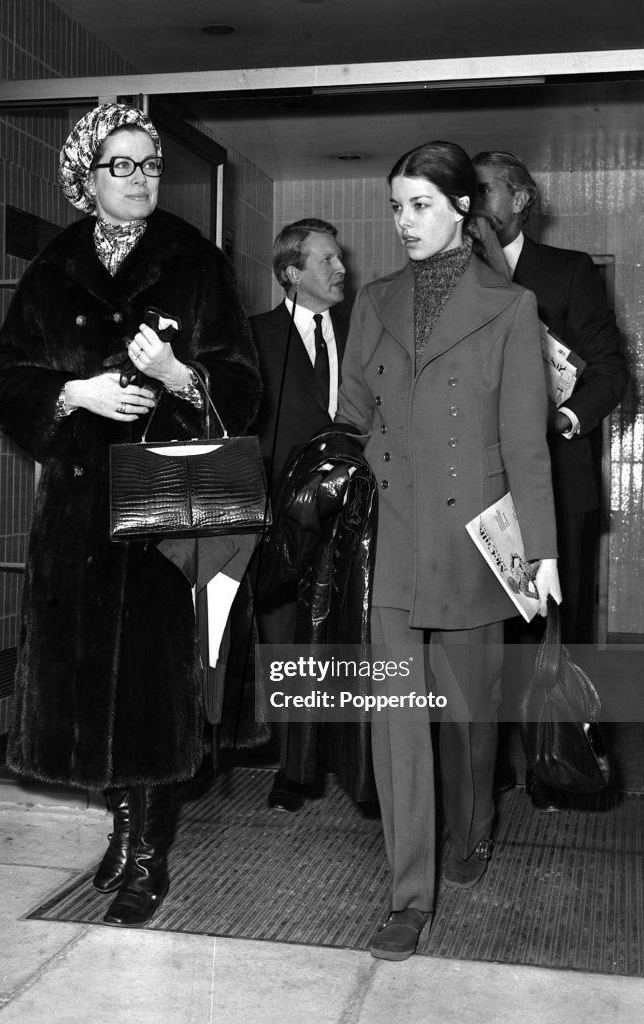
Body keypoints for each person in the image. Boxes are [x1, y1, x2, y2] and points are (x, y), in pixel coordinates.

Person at [0, 104, 262, 928]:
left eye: (150, 164)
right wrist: (76, 392)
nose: (142, 178)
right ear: (87, 178)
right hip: (76, 512)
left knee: (151, 691)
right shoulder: (52, 268)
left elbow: (242, 389)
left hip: (164, 515)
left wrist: (179, 374)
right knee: (82, 691)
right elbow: (6, 381)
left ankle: (145, 856)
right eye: (124, 165)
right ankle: (121, 828)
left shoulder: (194, 262)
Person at [335, 141, 561, 960]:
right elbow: (354, 408)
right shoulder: (376, 299)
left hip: (474, 538)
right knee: (399, 718)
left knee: (467, 713)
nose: (403, 221)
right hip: (396, 532)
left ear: (463, 208)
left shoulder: (510, 307)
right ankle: (406, 896)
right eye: (396, 206)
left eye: (420, 204)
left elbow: (524, 444)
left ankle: (472, 833)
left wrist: (540, 549)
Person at [473, 150, 629, 810]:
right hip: (481, 490)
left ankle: (554, 765)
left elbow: (611, 371)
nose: (471, 203)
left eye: (483, 191)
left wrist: (565, 418)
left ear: (522, 199)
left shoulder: (569, 274)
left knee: (555, 630)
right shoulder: (450, 279)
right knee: (484, 633)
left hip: (558, 488)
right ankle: (487, 768)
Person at [250, 219, 358, 813]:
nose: (340, 269)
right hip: (282, 520)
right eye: (326, 260)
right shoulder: (255, 337)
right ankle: (294, 769)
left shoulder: (363, 330)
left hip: (354, 516)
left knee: (347, 636)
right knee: (286, 640)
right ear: (292, 273)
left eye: (339, 258)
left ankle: (349, 758)